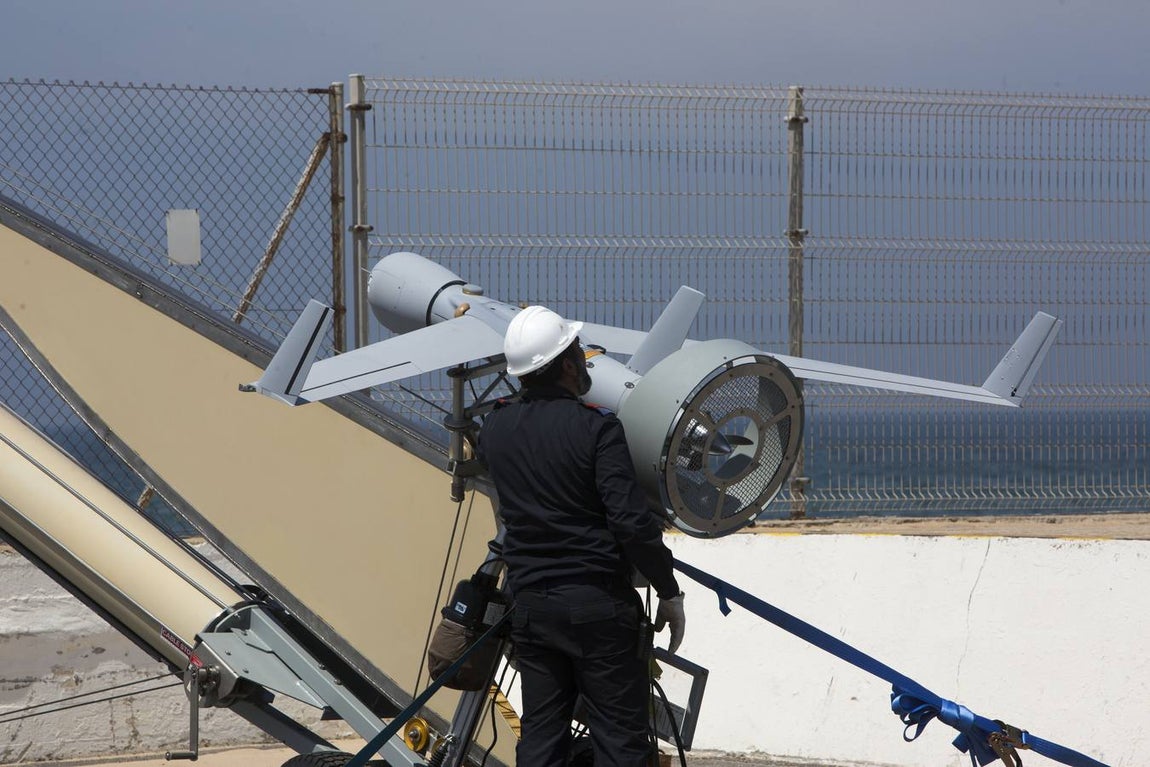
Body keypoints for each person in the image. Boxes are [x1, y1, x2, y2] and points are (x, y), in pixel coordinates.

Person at [477, 305, 686, 767]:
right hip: (598, 611)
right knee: (619, 743)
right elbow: (632, 524)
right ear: (568, 364)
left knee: (541, 741)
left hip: (531, 608)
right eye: (579, 354)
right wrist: (669, 591)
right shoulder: (598, 429)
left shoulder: (495, 428)